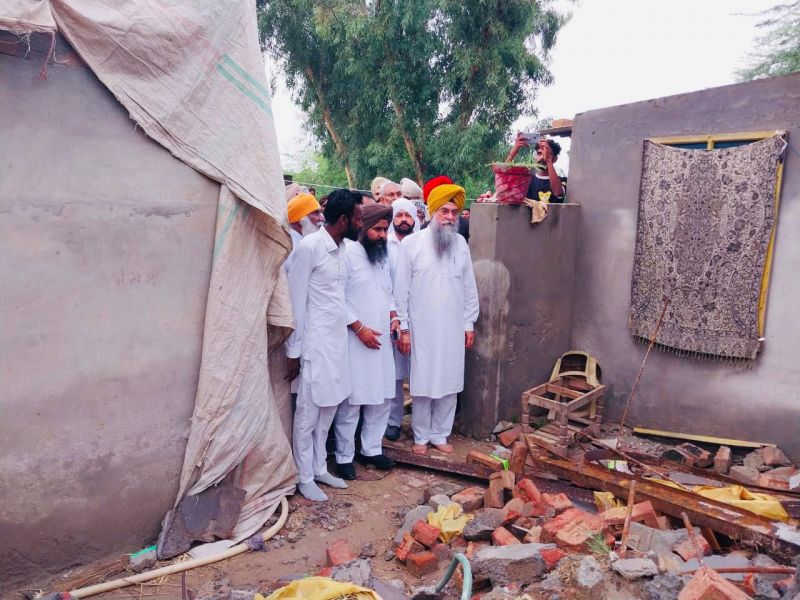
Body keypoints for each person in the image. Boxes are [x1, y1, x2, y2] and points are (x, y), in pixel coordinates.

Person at [285, 189, 363, 501]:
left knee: (329, 408)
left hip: (337, 344)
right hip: (315, 345)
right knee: (308, 413)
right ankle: (303, 476)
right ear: (344, 220)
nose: (361, 222)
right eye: (358, 218)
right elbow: (295, 301)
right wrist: (293, 351)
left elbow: (338, 301)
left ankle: (319, 468)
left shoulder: (343, 249)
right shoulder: (310, 248)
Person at [395, 180, 479, 456]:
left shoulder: (461, 245)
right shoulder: (412, 244)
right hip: (422, 326)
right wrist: (404, 328)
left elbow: (469, 287)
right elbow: (401, 290)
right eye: (444, 211)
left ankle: (440, 435)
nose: (449, 217)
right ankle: (420, 436)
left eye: (454, 213)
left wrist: (469, 323)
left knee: (449, 382)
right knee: (422, 383)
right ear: (432, 212)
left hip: (454, 326)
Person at [334, 204, 398, 479]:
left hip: (382, 337)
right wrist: (359, 329)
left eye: (386, 229)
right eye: (378, 230)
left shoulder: (382, 255)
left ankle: (371, 449)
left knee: (382, 397)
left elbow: (388, 291)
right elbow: (336, 298)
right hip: (355, 338)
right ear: (362, 228)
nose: (383, 235)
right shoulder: (346, 254)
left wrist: (394, 315)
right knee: (353, 401)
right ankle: (344, 456)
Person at [384, 199, 420, 441]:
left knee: (421, 371)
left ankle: (422, 424)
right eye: (399, 216)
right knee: (395, 375)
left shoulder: (421, 244)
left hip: (420, 317)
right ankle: (393, 421)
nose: (404, 220)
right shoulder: (382, 245)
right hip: (393, 318)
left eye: (408, 216)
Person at [506, 135, 566, 203]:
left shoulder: (562, 181)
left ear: (555, 159)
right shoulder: (527, 179)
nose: (542, 158)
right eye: (539, 153)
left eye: (547, 154)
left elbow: (558, 193)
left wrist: (548, 160)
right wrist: (514, 150)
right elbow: (503, 177)